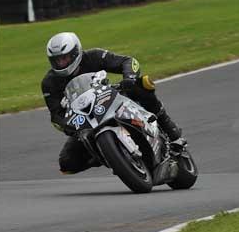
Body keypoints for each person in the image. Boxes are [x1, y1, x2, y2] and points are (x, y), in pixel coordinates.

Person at [41, 32, 185, 175]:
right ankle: (108, 155)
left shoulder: (93, 56)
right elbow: (56, 115)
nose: (60, 63)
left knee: (142, 84)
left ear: (75, 53)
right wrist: (69, 127)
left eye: (64, 58)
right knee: (67, 163)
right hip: (84, 122)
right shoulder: (49, 83)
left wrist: (129, 78)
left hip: (110, 98)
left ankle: (170, 129)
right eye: (56, 60)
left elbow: (128, 61)